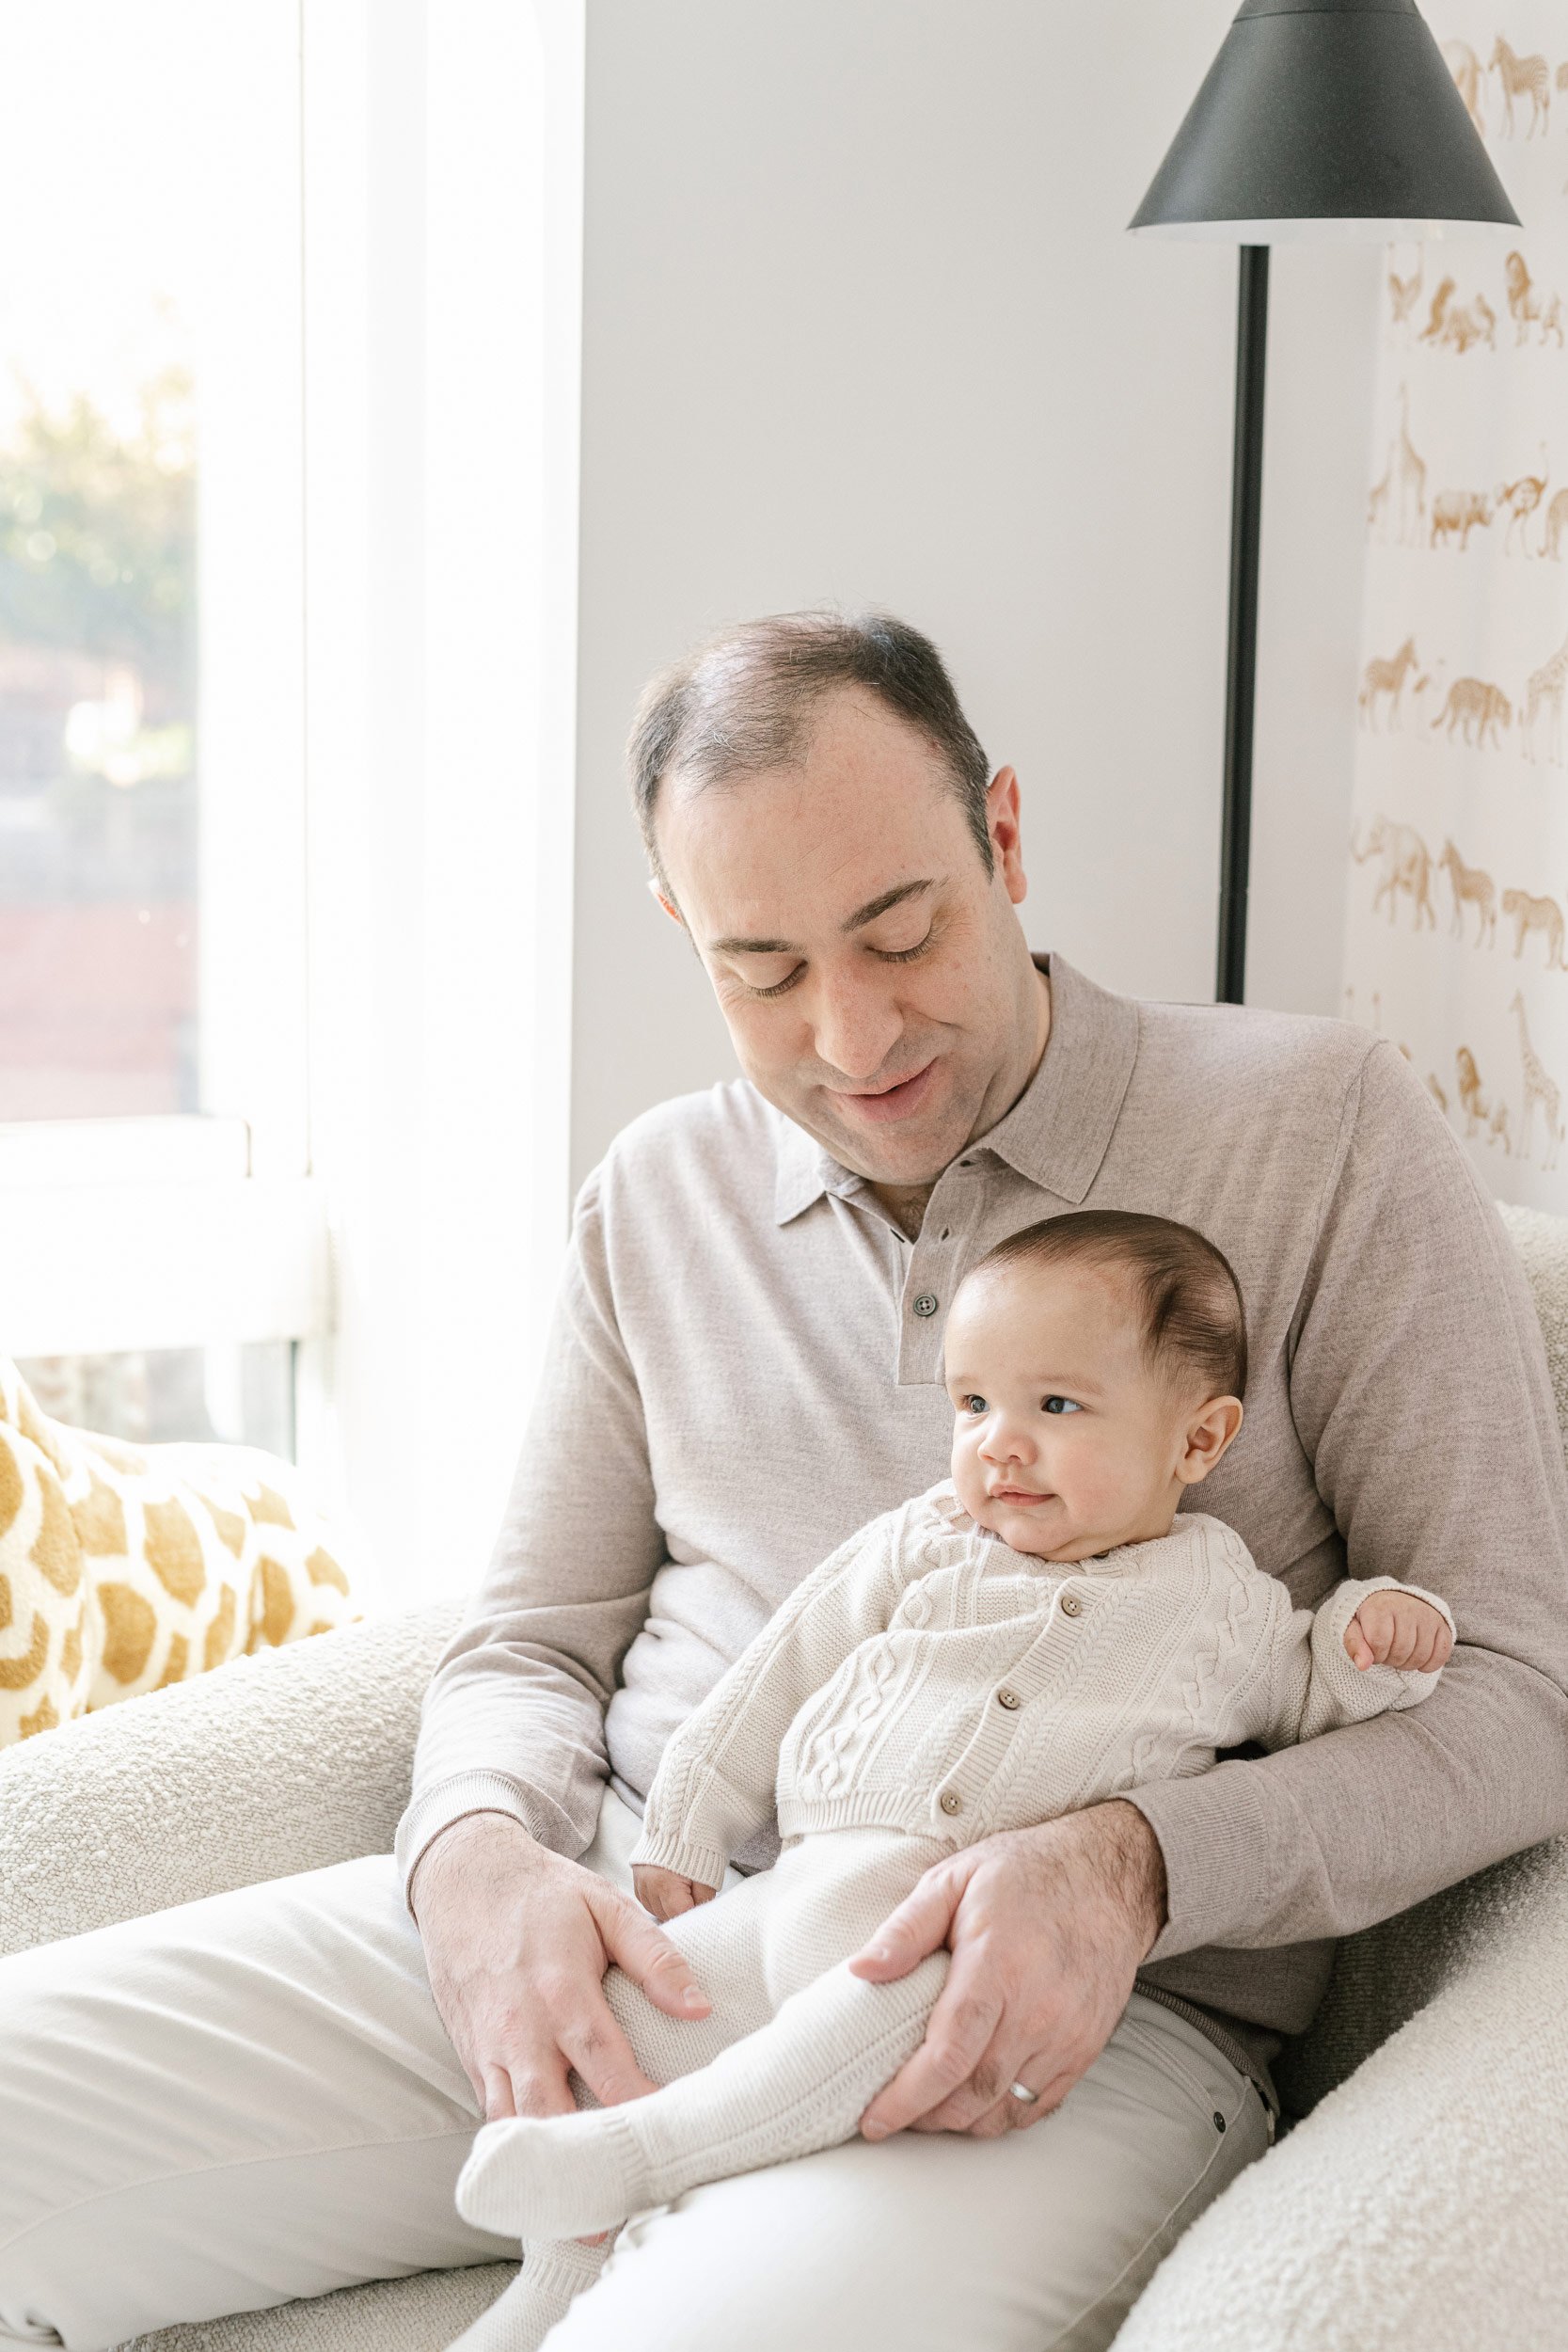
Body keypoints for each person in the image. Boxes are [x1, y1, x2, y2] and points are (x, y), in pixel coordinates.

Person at [1, 610, 1564, 2352]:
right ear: (683, 934)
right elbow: (528, 1641)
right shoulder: (656, 1193)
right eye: (760, 969)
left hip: (1043, 2024)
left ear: (1006, 840)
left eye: (903, 932)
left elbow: (1513, 1694)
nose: (851, 1034)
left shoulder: (1320, 1127)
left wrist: (1135, 1865)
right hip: (624, 1910)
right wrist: (477, 1862)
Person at [449, 1210, 1456, 2351]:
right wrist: (685, 1823)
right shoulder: (916, 1540)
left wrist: (1381, 1640)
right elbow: (772, 1676)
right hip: (789, 1892)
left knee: (902, 2015)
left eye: (1055, 1407)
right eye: (971, 1405)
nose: (998, 1444)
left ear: (1197, 1439)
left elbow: (1311, 1690)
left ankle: (650, 2156)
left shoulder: (1216, 1602)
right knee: (625, 2019)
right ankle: (546, 2285)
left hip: (953, 1932)